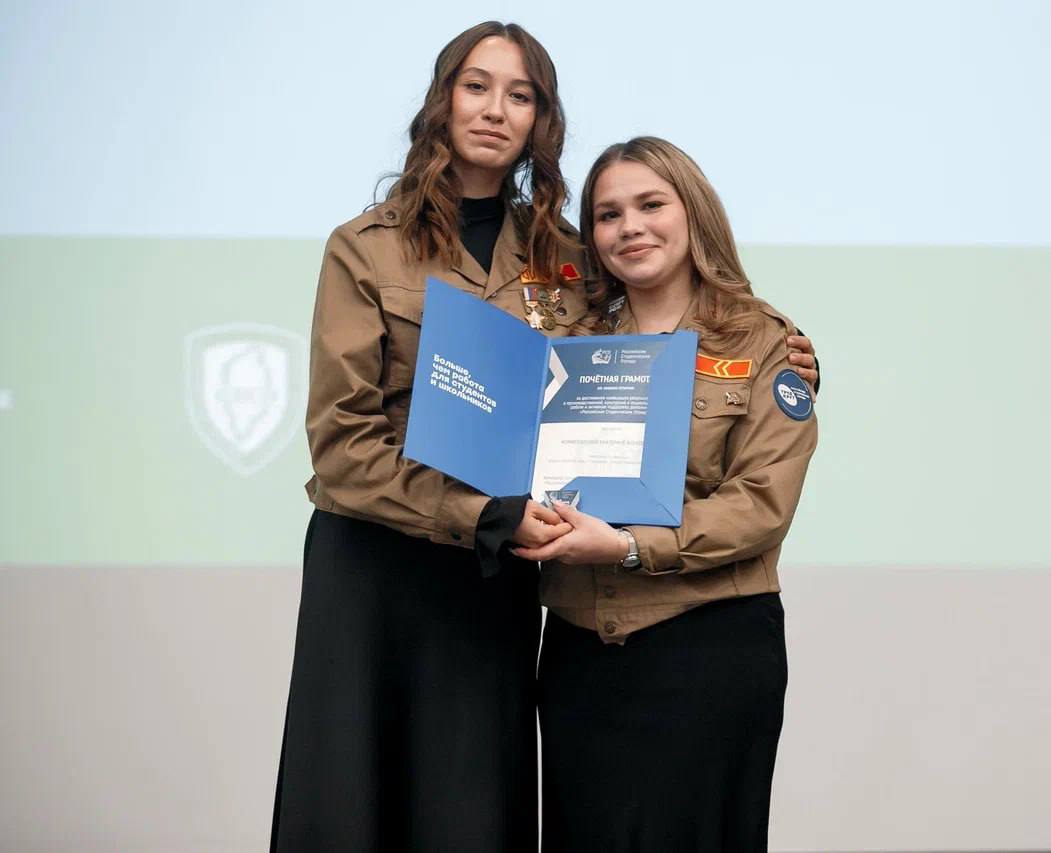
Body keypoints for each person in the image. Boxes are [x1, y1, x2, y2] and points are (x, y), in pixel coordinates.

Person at [271, 21, 821, 853]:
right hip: (382, 569)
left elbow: (664, 337)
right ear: (442, 100)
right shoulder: (365, 248)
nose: (496, 109)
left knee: (475, 817)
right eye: (476, 86)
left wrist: (793, 366)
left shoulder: (570, 252)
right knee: (353, 809)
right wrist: (484, 513)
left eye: (520, 95)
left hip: (499, 578)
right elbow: (342, 446)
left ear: (542, 120)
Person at [516, 137, 819, 852]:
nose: (631, 227)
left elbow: (761, 505)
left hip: (707, 647)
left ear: (693, 213)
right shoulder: (564, 344)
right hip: (580, 654)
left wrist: (626, 545)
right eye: (608, 214)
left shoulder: (767, 340)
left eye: (651, 205)